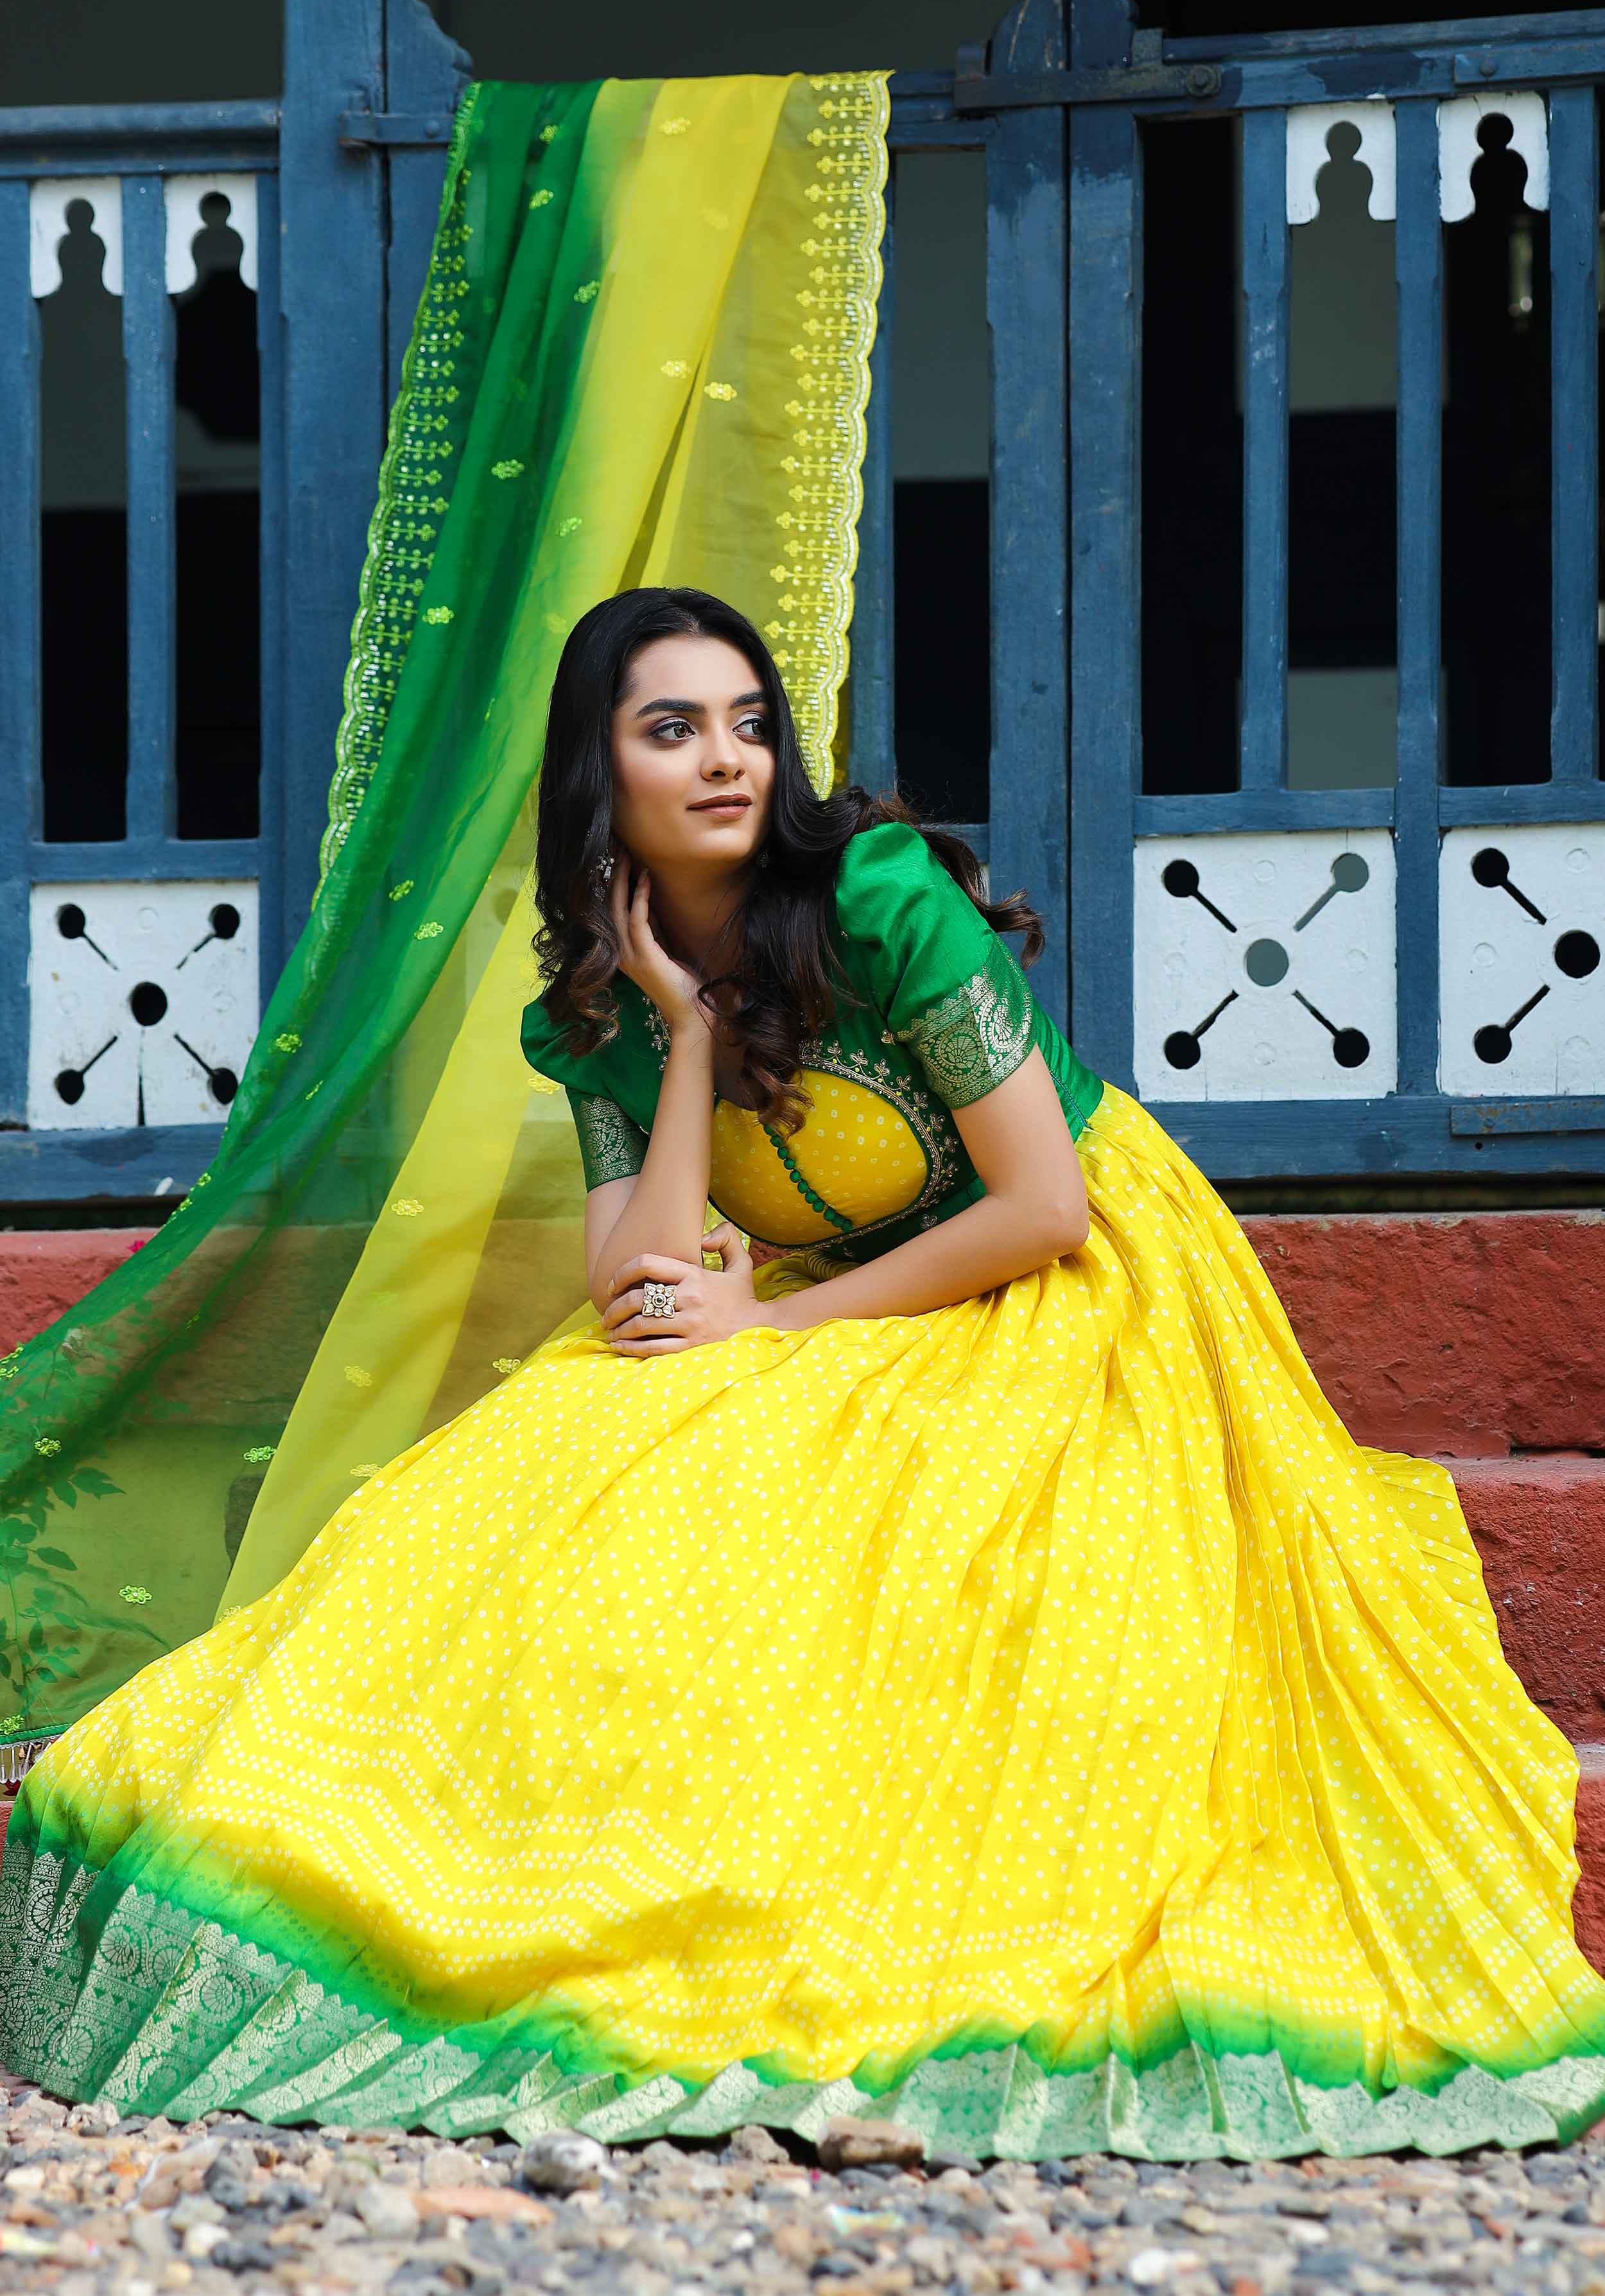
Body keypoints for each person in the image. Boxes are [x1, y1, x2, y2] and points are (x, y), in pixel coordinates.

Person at [3, 584, 1605, 2163]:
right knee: (580, 1436)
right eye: (672, 729)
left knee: (942, 1540)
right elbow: (639, 1278)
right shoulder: (599, 1011)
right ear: (598, 775)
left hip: (1067, 1282)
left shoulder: (881, 902)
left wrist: (765, 1331)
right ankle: (445, 1883)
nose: (728, 761)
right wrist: (687, 1036)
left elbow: (1041, 1208)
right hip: (832, 1294)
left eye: (750, 725)